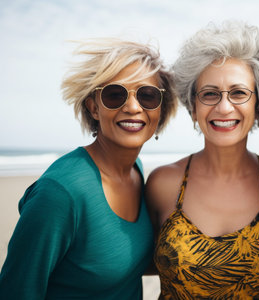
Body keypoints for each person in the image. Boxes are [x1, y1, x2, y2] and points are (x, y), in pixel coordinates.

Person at [0, 38, 177, 299]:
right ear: (94, 107)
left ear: (160, 110)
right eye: (115, 94)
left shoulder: (136, 171)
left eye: (147, 95)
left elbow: (120, 264)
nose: (132, 107)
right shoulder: (60, 193)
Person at [146, 21, 259, 299]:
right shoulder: (163, 184)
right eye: (210, 94)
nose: (224, 107)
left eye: (238, 93)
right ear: (193, 108)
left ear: (257, 105)